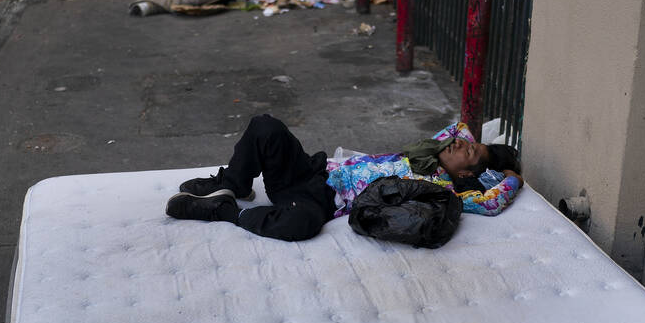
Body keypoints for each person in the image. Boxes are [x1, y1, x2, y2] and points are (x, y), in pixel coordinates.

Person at [165, 114, 523, 242]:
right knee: (265, 126)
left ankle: (224, 211)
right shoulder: (428, 149)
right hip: (313, 171)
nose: (461, 142)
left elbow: (490, 203)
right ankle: (235, 182)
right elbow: (459, 126)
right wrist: (484, 151)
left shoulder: (442, 189)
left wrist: (509, 176)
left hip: (321, 200)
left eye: (469, 152)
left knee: (301, 226)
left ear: (464, 173)